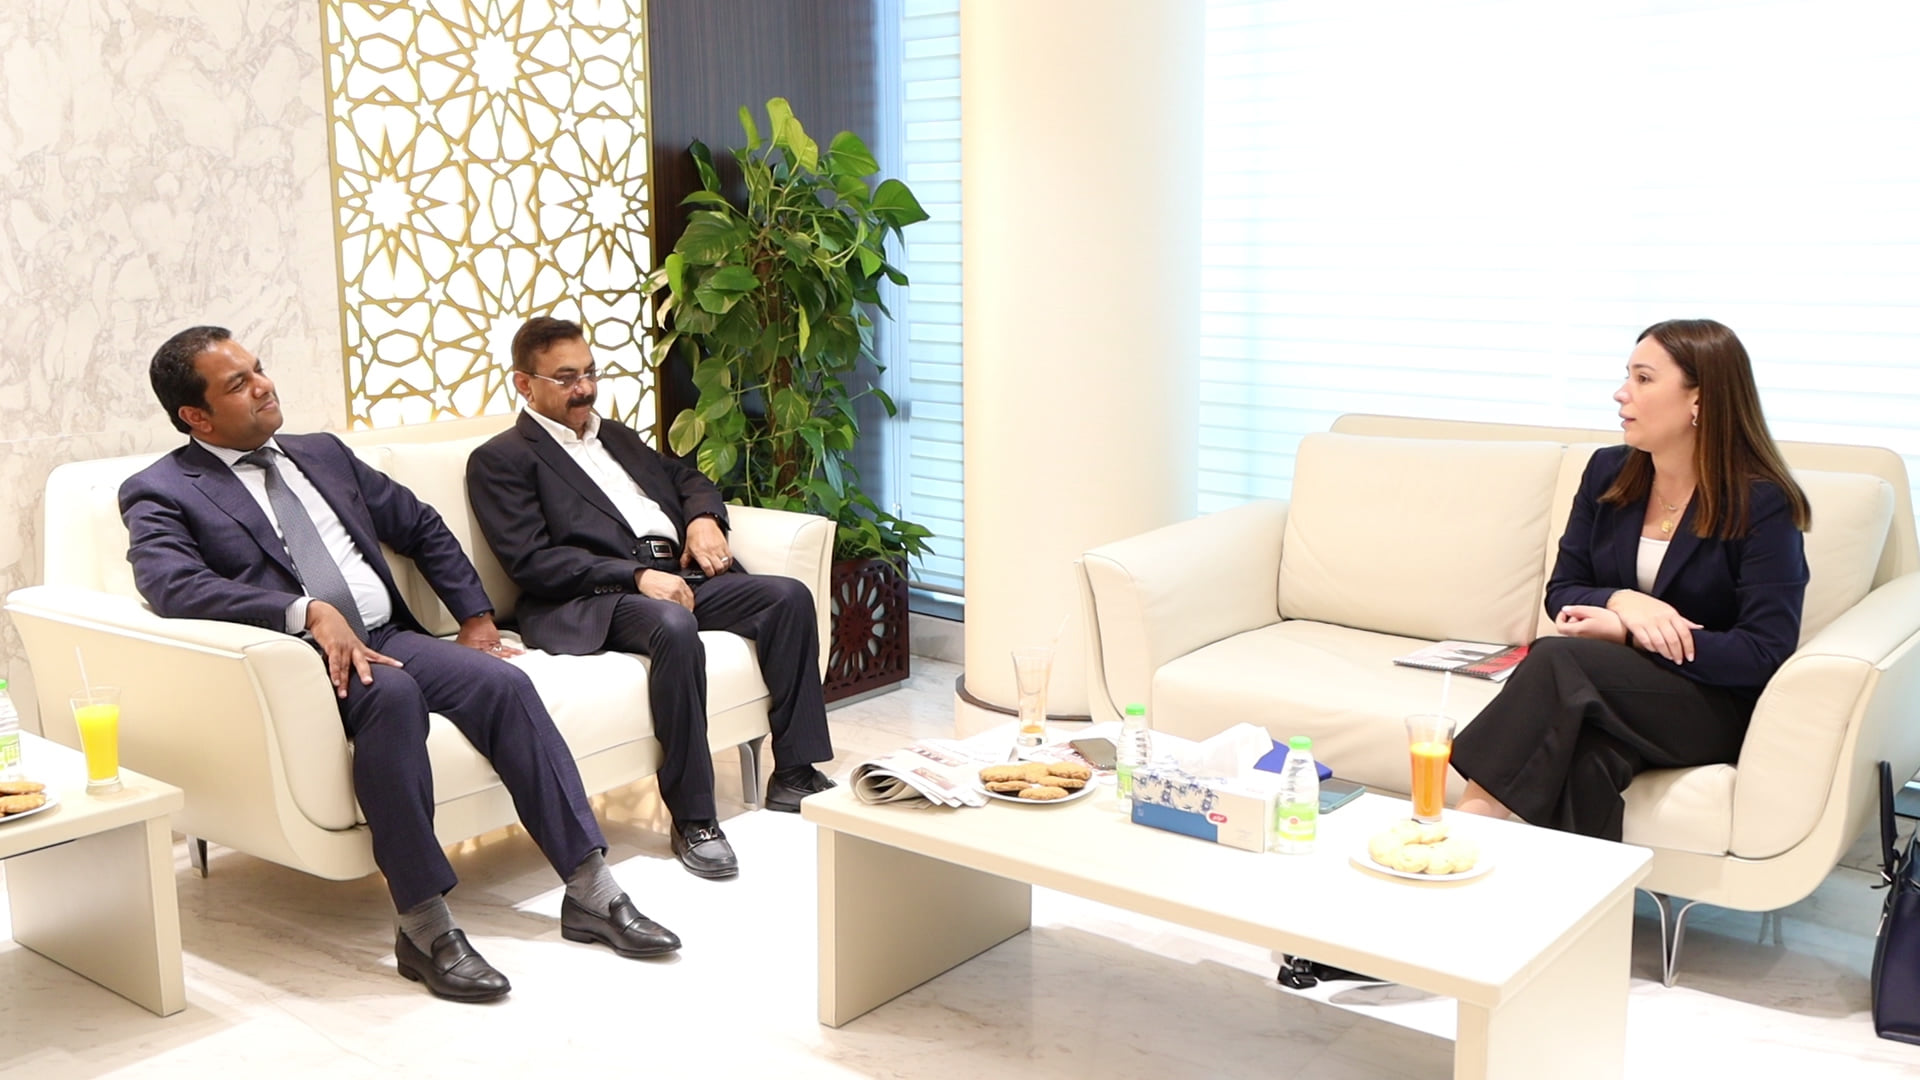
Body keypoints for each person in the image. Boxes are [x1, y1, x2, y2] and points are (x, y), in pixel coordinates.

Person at [120, 326, 683, 1003]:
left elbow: (420, 525)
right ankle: (424, 927)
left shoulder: (321, 454)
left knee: (505, 685)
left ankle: (591, 890)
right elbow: (173, 586)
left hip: (388, 633)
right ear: (196, 416)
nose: (264, 385)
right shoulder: (161, 490)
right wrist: (304, 612)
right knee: (391, 697)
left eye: (259, 369)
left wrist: (475, 616)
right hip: (297, 662)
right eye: (239, 384)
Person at [465, 316, 837, 880]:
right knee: (672, 625)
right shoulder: (502, 459)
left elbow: (688, 480)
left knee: (786, 597)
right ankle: (694, 818)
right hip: (591, 596)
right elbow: (532, 561)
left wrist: (704, 520)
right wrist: (635, 575)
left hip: (676, 572)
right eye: (566, 378)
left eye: (590, 372)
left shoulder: (614, 436)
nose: (585, 388)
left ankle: (794, 773)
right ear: (524, 384)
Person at [1449, 318, 1811, 840]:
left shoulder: (1763, 503)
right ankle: (1580, 892)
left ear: (1699, 399)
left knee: (1555, 658)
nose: (1622, 394)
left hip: (1712, 704)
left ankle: (1462, 833)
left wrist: (1632, 634)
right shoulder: (1608, 472)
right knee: (1587, 758)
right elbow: (1563, 591)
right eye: (1627, 376)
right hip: (1617, 693)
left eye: (1643, 379)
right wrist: (1623, 600)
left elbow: (1765, 651)